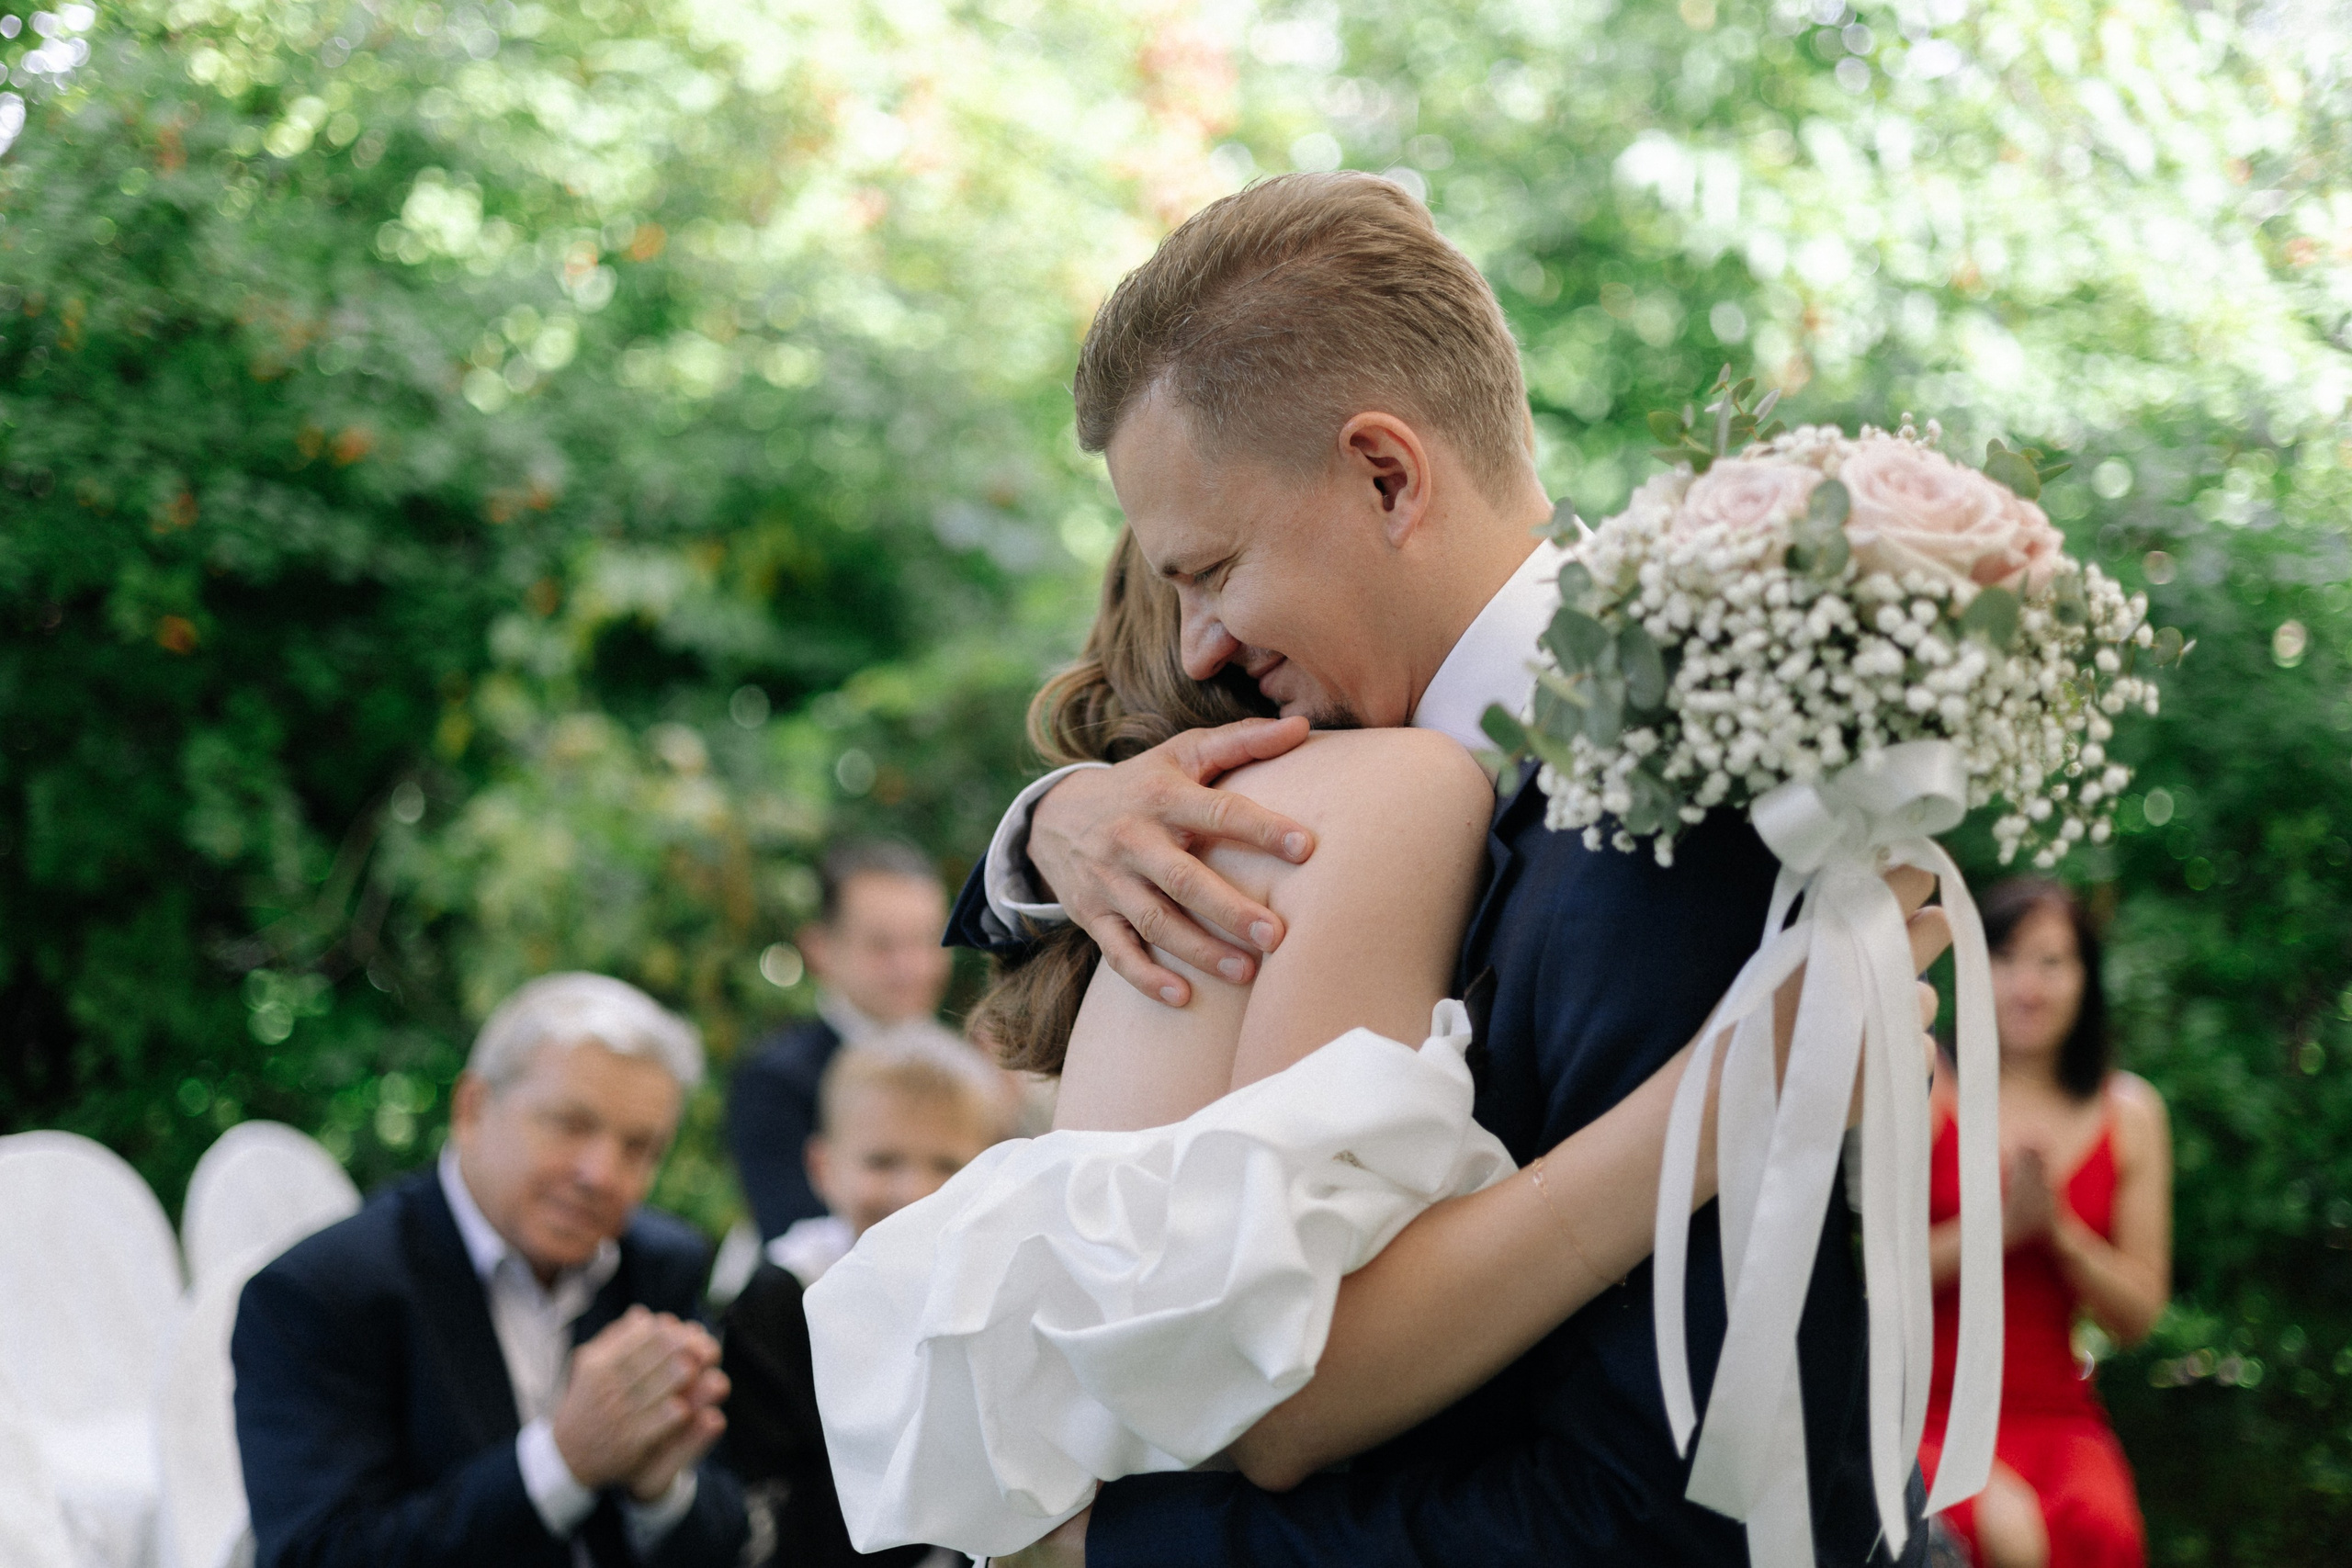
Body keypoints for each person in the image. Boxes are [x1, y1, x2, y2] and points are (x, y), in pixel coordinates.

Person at [924, 171, 1953, 1566]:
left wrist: (1116, 1550)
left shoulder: (1670, 809)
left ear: (1387, 474)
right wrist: (1053, 819)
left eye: (1212, 569)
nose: (1202, 642)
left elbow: (1659, 1516)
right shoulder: (1338, 760)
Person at [232, 973, 748, 1568]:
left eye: (639, 1148)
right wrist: (561, 1463)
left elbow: (728, 1531)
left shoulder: (661, 1263)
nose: (601, 1173)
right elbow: (319, 1555)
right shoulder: (323, 1291)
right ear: (472, 1108)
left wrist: (659, 1492)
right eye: (570, 1124)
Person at [1918, 879, 2171, 1568]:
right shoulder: (1924, 1083)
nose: (2027, 985)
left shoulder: (2133, 1113)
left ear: (2086, 978)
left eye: (2051, 962)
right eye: (2005, 957)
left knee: (2103, 1525)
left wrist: (2059, 1235)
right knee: (2008, 1530)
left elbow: (2138, 1313)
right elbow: (1871, 1280)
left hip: (2060, 1414)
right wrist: (1999, 1228)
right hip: (1923, 1410)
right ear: (1974, 967)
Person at [721, 1032, 1015, 1567]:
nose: (914, 1194)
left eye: (947, 1166)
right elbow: (759, 1492)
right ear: (824, 1168)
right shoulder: (780, 1304)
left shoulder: (998, 1292)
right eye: (882, 1162)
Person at [729, 839, 956, 1240]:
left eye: (926, 941)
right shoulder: (776, 1081)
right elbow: (792, 1229)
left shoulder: (970, 1074)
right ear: (821, 949)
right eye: (882, 946)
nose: (911, 968)